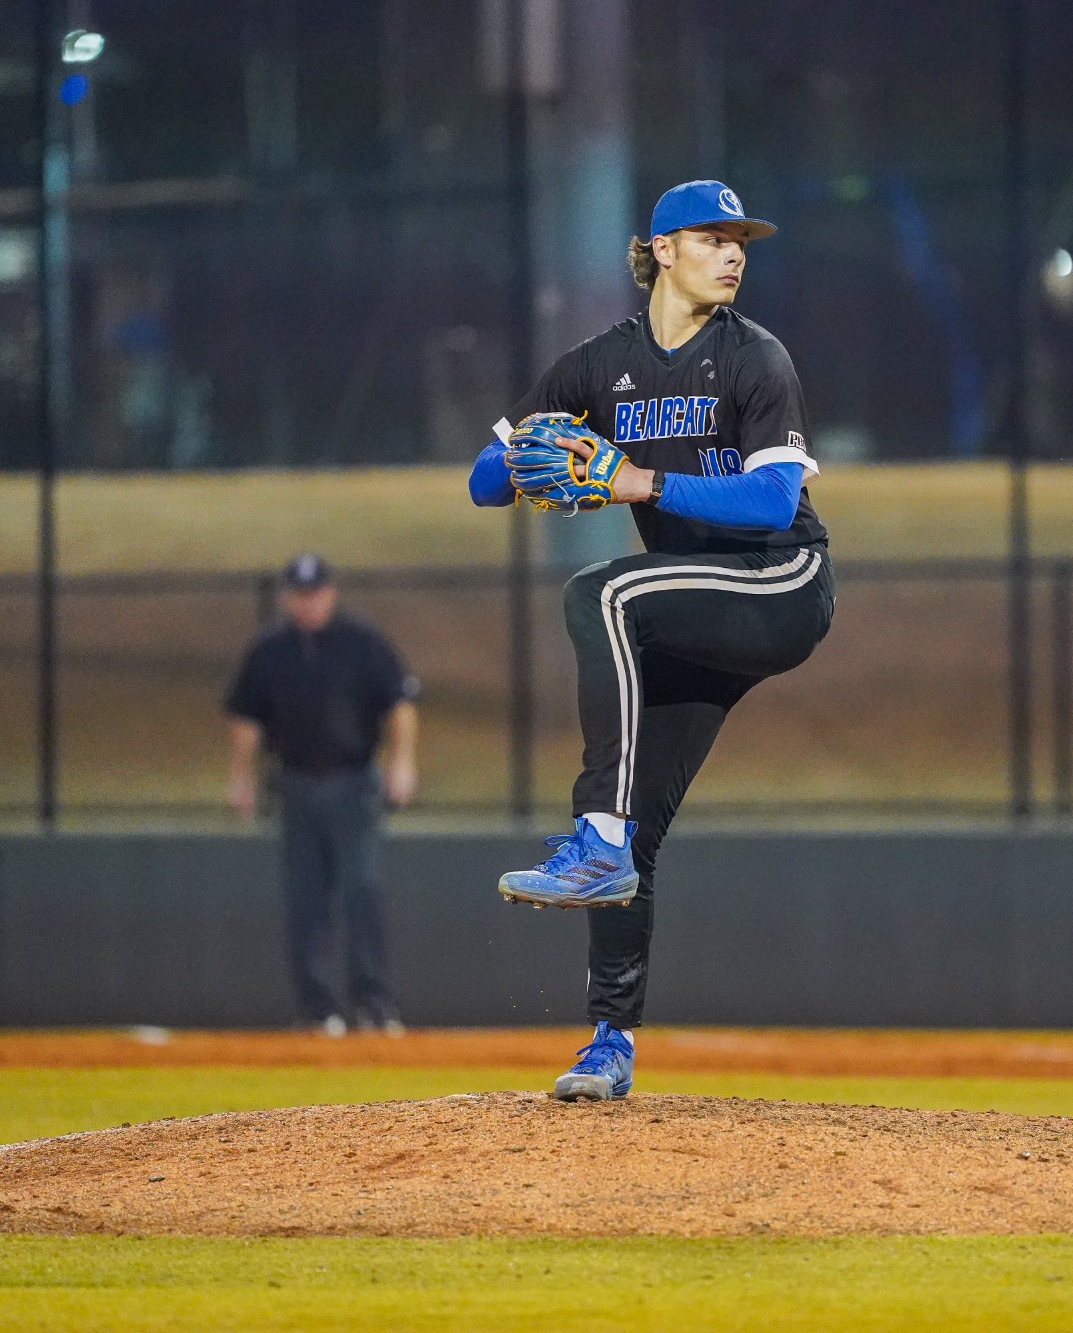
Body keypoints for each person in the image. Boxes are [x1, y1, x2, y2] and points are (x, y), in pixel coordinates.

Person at [468, 180, 835, 1100]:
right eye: (714, 237)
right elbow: (481, 478)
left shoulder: (756, 357)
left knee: (605, 591)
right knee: (637, 831)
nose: (735, 252)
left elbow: (772, 501)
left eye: (741, 239)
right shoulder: (599, 365)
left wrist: (629, 481)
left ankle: (594, 838)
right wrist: (530, 459)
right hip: (688, 608)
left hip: (778, 582)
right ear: (662, 250)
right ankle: (608, 1040)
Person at [225, 553, 419, 1037]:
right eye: (298, 593)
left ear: (330, 593)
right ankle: (318, 1012)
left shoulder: (362, 642)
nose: (307, 602)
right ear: (287, 597)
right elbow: (246, 715)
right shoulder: (270, 648)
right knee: (305, 900)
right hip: (294, 783)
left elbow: (399, 703)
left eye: (314, 593)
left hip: (353, 782)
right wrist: (241, 775)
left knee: (362, 892)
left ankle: (375, 1008)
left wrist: (402, 762)